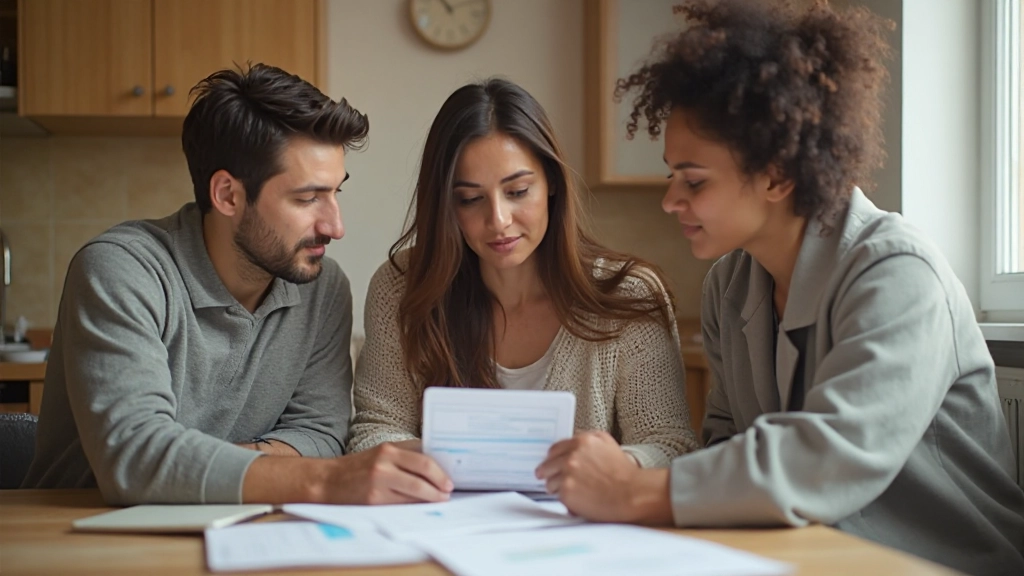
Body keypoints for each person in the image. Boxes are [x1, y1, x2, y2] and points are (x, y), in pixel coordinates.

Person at [534, 1, 1024, 574]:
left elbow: (830, 458)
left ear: (778, 175)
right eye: (673, 176)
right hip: (801, 555)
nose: (672, 201)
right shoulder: (729, 286)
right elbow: (726, 447)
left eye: (693, 180)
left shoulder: (899, 273)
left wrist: (631, 490)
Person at [23, 64, 452, 506]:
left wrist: (185, 470)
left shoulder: (322, 290)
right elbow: (135, 458)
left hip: (245, 528)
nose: (335, 226)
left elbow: (322, 435)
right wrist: (322, 481)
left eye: (335, 193)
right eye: (307, 198)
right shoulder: (121, 270)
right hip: (84, 536)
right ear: (228, 195)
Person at [347, 78, 698, 470]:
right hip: (444, 524)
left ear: (551, 183)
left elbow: (670, 445)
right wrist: (452, 457)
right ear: (445, 204)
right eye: (470, 199)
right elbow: (374, 431)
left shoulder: (628, 295)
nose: (498, 220)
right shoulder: (400, 288)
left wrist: (619, 464)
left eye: (517, 191)